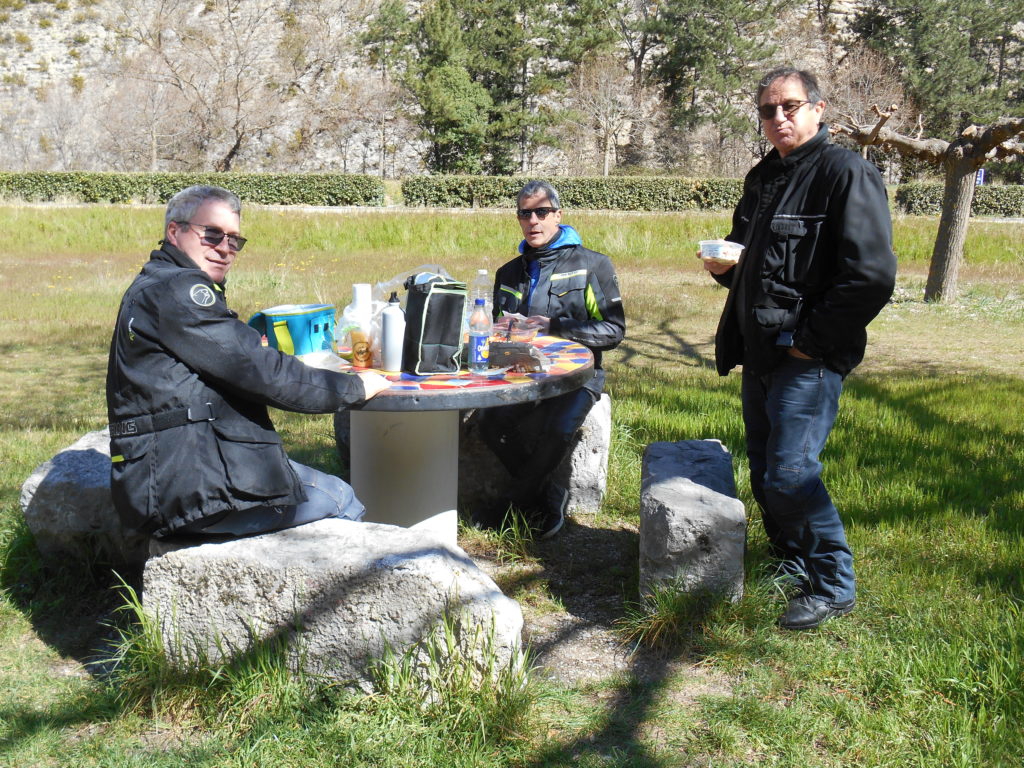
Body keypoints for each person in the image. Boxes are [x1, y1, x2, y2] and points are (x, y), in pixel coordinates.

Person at [703, 67, 896, 630]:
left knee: (791, 474)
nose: (778, 118)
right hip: (760, 350)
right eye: (767, 110)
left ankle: (834, 585)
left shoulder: (846, 173)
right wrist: (724, 268)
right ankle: (790, 565)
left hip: (806, 359)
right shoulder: (763, 177)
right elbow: (752, 264)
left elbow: (870, 277)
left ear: (819, 108)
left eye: (789, 106)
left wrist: (812, 346)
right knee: (766, 470)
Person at [106, 185, 391, 542]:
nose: (225, 248)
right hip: (183, 485)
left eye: (234, 241)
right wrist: (355, 386)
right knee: (340, 498)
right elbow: (262, 373)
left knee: (315, 489)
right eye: (212, 235)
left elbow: (239, 360)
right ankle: (320, 597)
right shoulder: (177, 291)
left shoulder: (159, 284)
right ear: (174, 232)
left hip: (170, 474)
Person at [479, 180, 626, 538]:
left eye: (542, 212)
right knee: (490, 425)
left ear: (558, 215)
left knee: (557, 429)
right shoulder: (508, 273)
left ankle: (511, 505)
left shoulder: (593, 265)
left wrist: (556, 327)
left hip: (578, 376)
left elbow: (613, 331)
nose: (534, 221)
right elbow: (498, 335)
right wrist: (503, 329)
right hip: (522, 371)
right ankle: (547, 498)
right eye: (525, 213)